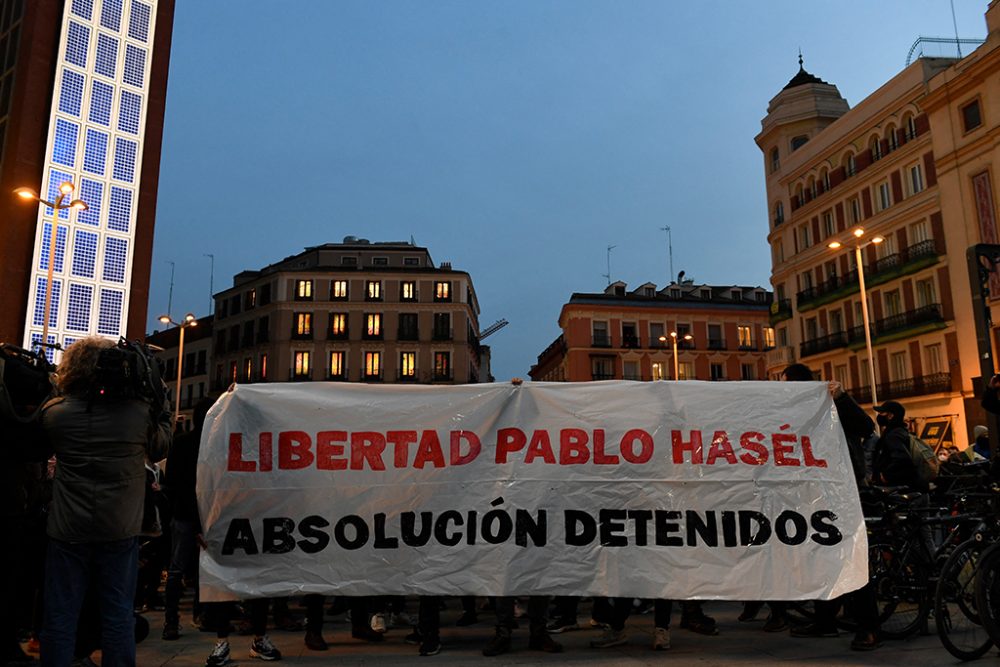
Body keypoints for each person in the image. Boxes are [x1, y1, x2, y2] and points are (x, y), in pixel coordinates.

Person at [37, 337, 172, 667]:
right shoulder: (138, 415)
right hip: (118, 527)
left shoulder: (56, 414)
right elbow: (160, 448)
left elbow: (37, 447)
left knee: (60, 615)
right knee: (118, 613)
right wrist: (161, 405)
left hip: (68, 527)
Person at [780, 363, 881, 651]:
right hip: (814, 496)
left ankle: (868, 626)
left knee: (851, 557)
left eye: (787, 383)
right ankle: (825, 620)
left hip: (844, 493)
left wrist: (841, 397)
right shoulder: (796, 413)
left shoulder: (831, 404)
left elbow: (865, 427)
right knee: (822, 559)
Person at [162, 398, 216, 641]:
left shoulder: (181, 444)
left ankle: (171, 621)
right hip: (205, 515)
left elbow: (170, 481)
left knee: (177, 570)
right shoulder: (212, 446)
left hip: (183, 514)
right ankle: (201, 614)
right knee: (203, 569)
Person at [871, 400, 922, 490]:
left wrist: (886, 475)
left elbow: (902, 459)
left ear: (890, 416)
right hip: (902, 484)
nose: (879, 416)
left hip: (897, 486)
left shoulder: (893, 435)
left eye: (882, 413)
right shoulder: (900, 432)